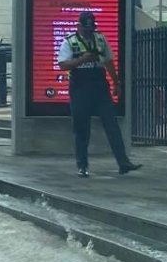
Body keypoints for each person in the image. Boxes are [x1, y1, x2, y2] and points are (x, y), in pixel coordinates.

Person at [57, 11, 142, 178]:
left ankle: (123, 163)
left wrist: (116, 83)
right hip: (80, 87)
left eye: (91, 28)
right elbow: (63, 65)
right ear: (79, 26)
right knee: (82, 128)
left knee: (112, 125)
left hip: (99, 86)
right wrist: (83, 59)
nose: (89, 32)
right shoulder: (70, 42)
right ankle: (82, 166)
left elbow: (109, 62)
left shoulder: (101, 39)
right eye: (86, 28)